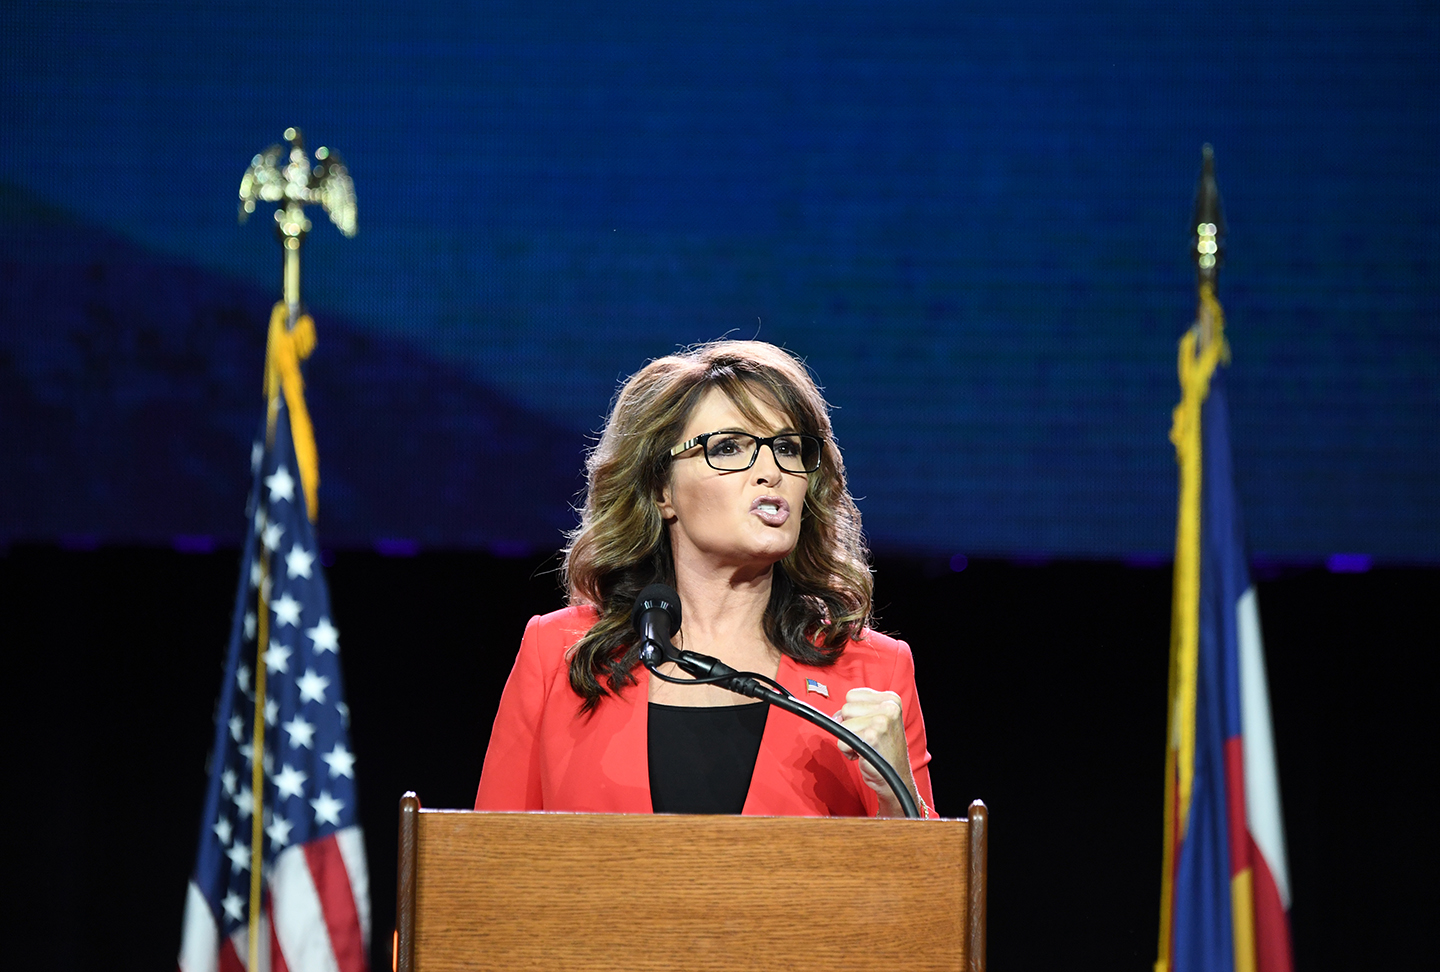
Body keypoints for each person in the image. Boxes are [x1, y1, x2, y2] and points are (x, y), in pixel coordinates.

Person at [475, 340, 934, 818]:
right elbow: (488, 863)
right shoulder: (558, 653)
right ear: (661, 491)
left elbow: (929, 887)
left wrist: (894, 789)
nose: (771, 470)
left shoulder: (874, 671)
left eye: (788, 448)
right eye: (729, 447)